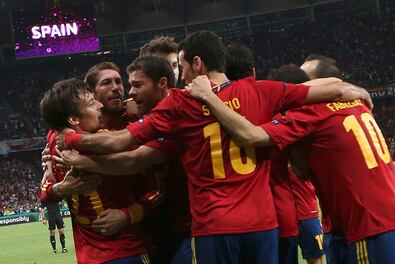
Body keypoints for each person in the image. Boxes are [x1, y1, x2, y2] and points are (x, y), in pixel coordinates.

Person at [60, 31, 372, 264]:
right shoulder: (259, 91)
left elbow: (126, 148)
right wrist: (352, 89)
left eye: (182, 68)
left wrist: (70, 140)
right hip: (262, 224)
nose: (181, 78)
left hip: (213, 226)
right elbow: (323, 87)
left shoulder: (181, 104)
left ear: (197, 64)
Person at [184, 75, 395, 264]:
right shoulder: (355, 105)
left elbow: (250, 136)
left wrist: (208, 97)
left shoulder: (309, 115)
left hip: (372, 226)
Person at [39, 77, 158, 264]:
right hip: (125, 250)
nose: (99, 106)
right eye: (91, 101)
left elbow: (44, 193)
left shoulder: (54, 141)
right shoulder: (108, 143)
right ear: (73, 119)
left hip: (88, 255)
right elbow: (157, 186)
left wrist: (59, 189)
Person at [268, 64, 325, 264]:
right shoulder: (274, 122)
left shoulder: (306, 119)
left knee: (315, 258)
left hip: (304, 206)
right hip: (284, 210)